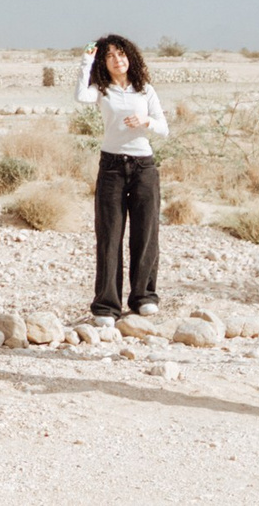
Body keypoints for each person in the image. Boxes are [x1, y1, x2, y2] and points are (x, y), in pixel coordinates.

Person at [75, 34, 167, 318]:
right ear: (103, 62)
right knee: (109, 236)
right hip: (112, 167)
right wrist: (86, 62)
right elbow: (80, 96)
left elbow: (163, 128)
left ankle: (143, 297)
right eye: (110, 56)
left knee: (146, 233)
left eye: (121, 54)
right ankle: (106, 305)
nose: (117, 60)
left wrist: (146, 121)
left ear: (130, 57)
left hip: (144, 167)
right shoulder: (101, 90)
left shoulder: (145, 90)